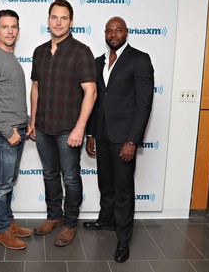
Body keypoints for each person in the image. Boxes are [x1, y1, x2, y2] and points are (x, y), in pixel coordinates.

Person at [83, 16, 154, 263]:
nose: (113, 34)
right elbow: (95, 101)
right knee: (106, 183)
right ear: (105, 34)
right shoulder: (97, 61)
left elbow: (144, 104)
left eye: (118, 30)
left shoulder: (140, 59)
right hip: (102, 135)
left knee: (123, 189)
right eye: (109, 31)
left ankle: (123, 238)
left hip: (124, 137)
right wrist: (91, 133)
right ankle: (106, 220)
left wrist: (132, 141)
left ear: (126, 32)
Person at [29, 0, 97, 247]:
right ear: (48, 20)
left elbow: (91, 92)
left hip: (69, 129)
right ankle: (54, 216)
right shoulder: (39, 52)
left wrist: (80, 127)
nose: (58, 22)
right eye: (54, 17)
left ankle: (70, 223)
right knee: (49, 175)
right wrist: (33, 120)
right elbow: (35, 87)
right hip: (44, 127)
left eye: (64, 18)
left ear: (71, 21)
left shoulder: (81, 51)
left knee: (70, 177)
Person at [0, 9, 32, 250]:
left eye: (14, 26)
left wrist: (27, 121)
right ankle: (1, 230)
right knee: (2, 184)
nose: (10, 31)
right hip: (5, 133)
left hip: (17, 130)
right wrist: (8, 131)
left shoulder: (10, 58)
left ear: (18, 30)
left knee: (8, 181)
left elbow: (11, 98)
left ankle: (7, 222)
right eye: (4, 26)